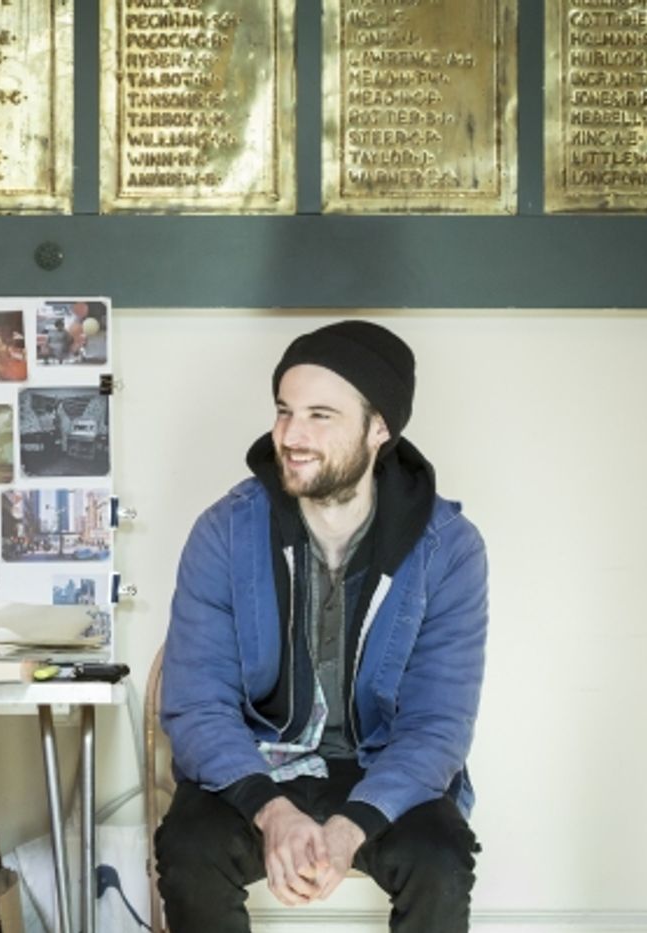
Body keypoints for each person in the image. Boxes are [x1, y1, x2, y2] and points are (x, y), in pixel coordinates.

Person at [155, 321, 488, 933]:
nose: (291, 435)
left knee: (438, 858)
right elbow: (196, 703)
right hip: (257, 761)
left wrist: (354, 824)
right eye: (284, 411)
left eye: (320, 415)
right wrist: (271, 810)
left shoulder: (448, 548)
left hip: (378, 766)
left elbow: (438, 724)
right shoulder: (225, 531)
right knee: (190, 850)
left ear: (379, 427)